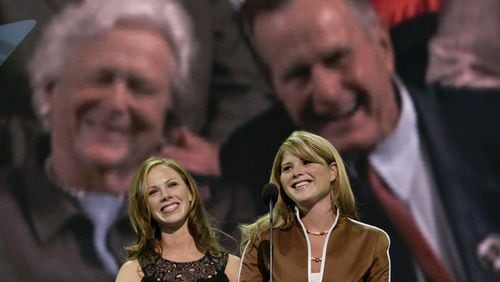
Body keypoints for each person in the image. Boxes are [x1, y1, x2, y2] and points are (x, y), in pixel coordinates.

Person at [220, 0, 500, 281]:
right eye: (298, 74)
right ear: (275, 87)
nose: (327, 92)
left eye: (336, 58)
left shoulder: (485, 121)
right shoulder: (262, 181)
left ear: (382, 44)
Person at [0, 0, 255, 280]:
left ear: (169, 119)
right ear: (49, 90)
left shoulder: (226, 218)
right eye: (98, 79)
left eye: (140, 88)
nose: (116, 103)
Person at [239, 131, 390, 281]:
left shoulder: (372, 241)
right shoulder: (264, 240)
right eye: (287, 168)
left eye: (307, 162)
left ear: (332, 172)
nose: (296, 172)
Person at [115, 157, 240, 282]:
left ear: (190, 192)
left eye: (172, 185)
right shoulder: (133, 273)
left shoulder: (232, 268)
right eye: (153, 192)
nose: (165, 195)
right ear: (145, 207)